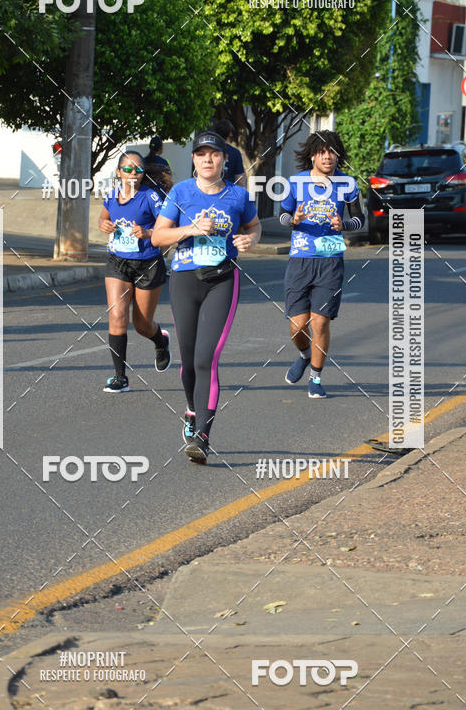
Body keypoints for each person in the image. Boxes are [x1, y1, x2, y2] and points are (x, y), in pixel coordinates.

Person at [152, 130, 261, 464]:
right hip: (184, 279)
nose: (207, 159)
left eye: (214, 154)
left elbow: (254, 227)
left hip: (222, 280)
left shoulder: (238, 196)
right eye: (201, 154)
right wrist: (191, 229)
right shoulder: (181, 192)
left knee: (205, 359)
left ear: (224, 159)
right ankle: (190, 409)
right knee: (187, 362)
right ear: (194, 160)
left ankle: (202, 436)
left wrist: (249, 241)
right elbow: (158, 236)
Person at [280, 130, 364, 399]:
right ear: (312, 155)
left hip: (330, 262)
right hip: (300, 260)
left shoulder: (347, 184)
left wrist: (345, 225)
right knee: (298, 325)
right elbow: (282, 214)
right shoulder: (296, 182)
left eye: (333, 152)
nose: (328, 156)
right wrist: (293, 220)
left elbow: (360, 219)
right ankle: (304, 355)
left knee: (320, 323)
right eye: (322, 152)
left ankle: (316, 377)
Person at [99, 151, 171, 392]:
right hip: (118, 261)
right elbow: (104, 215)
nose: (133, 173)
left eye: (138, 169)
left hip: (148, 263)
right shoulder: (111, 195)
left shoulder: (151, 197)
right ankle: (120, 377)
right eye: (127, 169)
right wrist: (103, 224)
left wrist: (149, 233)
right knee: (117, 315)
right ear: (118, 172)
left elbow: (168, 229)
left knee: (142, 324)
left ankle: (160, 341)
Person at [213, 118, 246, 186]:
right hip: (228, 191)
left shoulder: (208, 151)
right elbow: (240, 180)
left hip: (210, 190)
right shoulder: (235, 153)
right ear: (230, 133)